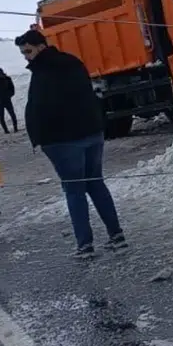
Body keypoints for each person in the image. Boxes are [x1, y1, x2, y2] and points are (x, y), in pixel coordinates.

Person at [15, 28, 125, 258]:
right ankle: (117, 235)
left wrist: (39, 137)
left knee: (74, 190)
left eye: (28, 51)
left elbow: (42, 108)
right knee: (96, 183)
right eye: (23, 52)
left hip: (63, 140)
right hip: (92, 132)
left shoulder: (44, 71)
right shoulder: (73, 62)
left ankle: (85, 245)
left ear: (41, 47)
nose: (26, 56)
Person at [0, 68, 18, 134]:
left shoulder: (7, 79)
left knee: (12, 114)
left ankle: (15, 128)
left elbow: (12, 90)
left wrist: (8, 95)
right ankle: (6, 130)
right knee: (2, 116)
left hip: (7, 100)